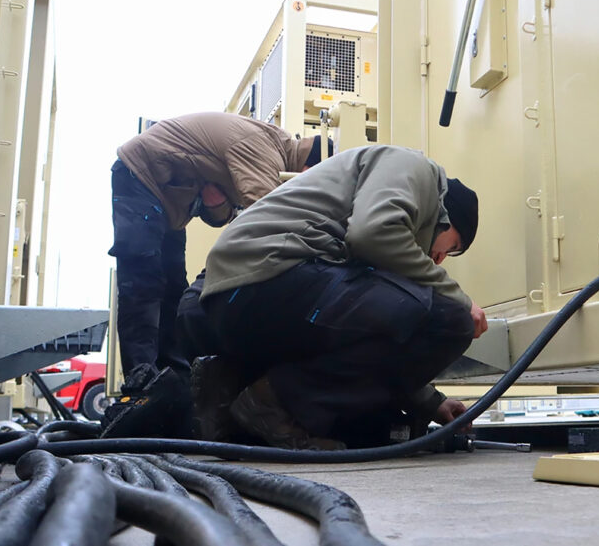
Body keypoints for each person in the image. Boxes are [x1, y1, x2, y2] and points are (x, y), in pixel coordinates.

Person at [185, 143, 487, 449]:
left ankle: (228, 386)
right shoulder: (416, 168)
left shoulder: (368, 204)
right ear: (446, 215)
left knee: (406, 313)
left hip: (236, 298)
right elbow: (373, 234)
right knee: (451, 320)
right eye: (452, 247)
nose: (440, 259)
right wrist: (460, 299)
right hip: (271, 273)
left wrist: (430, 401)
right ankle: (274, 408)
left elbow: (374, 342)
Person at [108, 111, 330, 381]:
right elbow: (268, 214)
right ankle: (140, 376)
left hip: (169, 203)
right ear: (309, 168)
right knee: (143, 280)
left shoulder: (274, 150)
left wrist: (219, 205)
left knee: (173, 288)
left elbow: (219, 214)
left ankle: (173, 378)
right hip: (140, 176)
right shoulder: (260, 147)